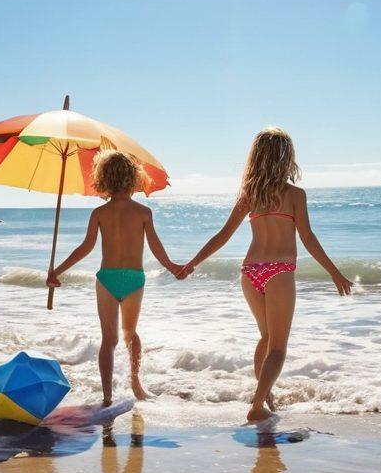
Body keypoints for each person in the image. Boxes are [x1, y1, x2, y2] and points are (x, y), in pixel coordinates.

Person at [180, 128, 353, 422]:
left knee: (265, 338)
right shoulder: (295, 194)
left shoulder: (250, 196)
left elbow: (222, 236)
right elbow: (308, 238)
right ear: (287, 158)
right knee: (278, 346)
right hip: (279, 271)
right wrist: (334, 272)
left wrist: (192, 263)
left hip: (250, 272)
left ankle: (264, 397)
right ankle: (257, 406)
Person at [47, 150, 183, 405]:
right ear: (133, 178)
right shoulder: (143, 212)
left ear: (104, 180)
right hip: (134, 279)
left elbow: (85, 248)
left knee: (108, 340)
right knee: (131, 334)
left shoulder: (99, 213)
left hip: (107, 279)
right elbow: (156, 248)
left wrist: (57, 270)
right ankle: (136, 383)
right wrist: (173, 267)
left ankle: (107, 396)